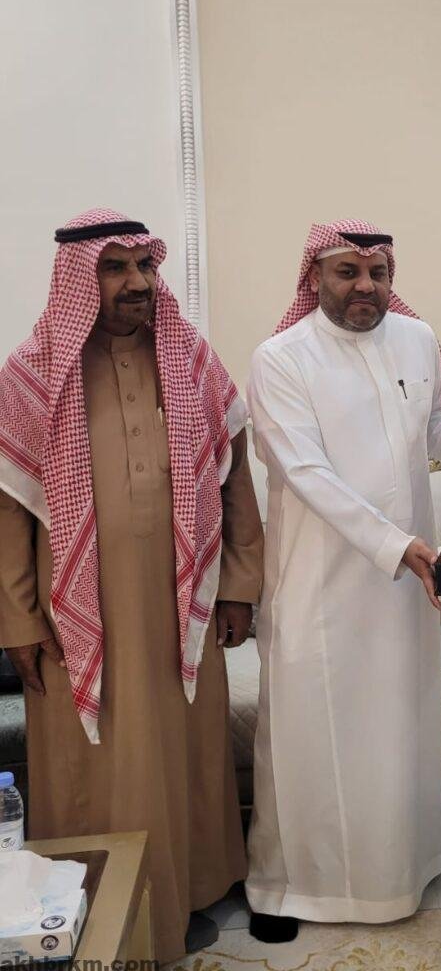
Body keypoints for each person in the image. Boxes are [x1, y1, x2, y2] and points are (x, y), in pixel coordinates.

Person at [0, 208, 264, 962]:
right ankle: (97, 907)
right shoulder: (29, 379)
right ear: (78, 279)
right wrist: (19, 620)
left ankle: (190, 892)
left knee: (184, 752)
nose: (136, 282)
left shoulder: (192, 363)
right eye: (114, 268)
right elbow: (8, 514)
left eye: (144, 266)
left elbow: (236, 482)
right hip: (78, 617)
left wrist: (240, 584)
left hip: (185, 607)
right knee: (98, 762)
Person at [244, 219, 441, 942]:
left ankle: (399, 870)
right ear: (315, 277)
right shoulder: (281, 358)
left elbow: (434, 425)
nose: (365, 286)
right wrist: (395, 544)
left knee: (396, 729)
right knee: (310, 735)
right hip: (320, 587)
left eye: (378, 273)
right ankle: (288, 887)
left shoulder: (417, 338)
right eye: (347, 272)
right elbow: (305, 472)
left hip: (405, 586)